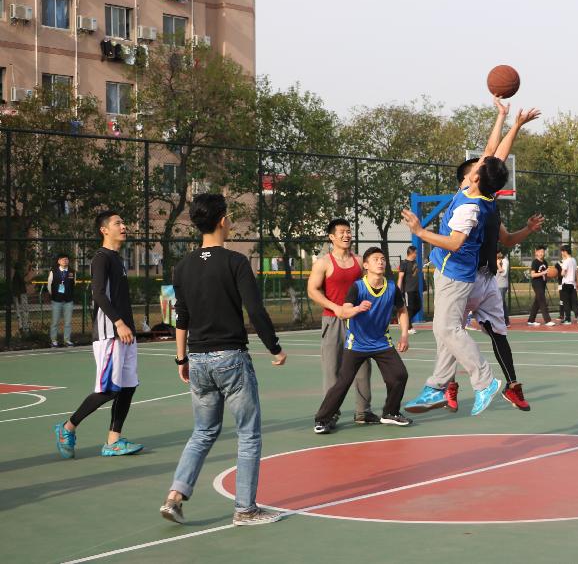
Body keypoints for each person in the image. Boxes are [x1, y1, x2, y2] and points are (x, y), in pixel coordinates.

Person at [401, 101, 538, 416]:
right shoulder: (481, 192)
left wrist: (420, 232)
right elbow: (493, 152)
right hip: (465, 274)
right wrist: (507, 120)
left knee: (448, 330)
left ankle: (483, 381)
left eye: (478, 165)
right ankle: (437, 386)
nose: (479, 161)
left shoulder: (470, 207)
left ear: (475, 178)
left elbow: (454, 242)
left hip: (459, 274)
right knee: (445, 331)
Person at [160, 193, 287, 527]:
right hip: (230, 358)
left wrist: (181, 358)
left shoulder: (182, 267)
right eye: (228, 216)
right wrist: (274, 347)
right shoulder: (235, 262)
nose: (229, 221)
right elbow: (255, 310)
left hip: (199, 359)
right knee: (248, 434)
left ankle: (174, 497)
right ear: (221, 221)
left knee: (203, 432)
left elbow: (181, 316)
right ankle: (245, 509)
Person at [446, 156, 545, 412]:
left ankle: (512, 386)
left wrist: (528, 229)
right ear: (467, 180)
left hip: (487, 278)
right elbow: (493, 150)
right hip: (463, 279)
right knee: (453, 334)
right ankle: (448, 385)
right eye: (477, 171)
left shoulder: (490, 207)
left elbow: (508, 240)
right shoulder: (463, 204)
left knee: (499, 332)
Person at [54, 211, 142, 459]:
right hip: (110, 332)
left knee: (128, 387)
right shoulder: (101, 258)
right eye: (118, 223)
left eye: (123, 222)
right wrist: (119, 323)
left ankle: (113, 441)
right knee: (108, 390)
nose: (124, 226)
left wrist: (128, 326)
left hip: (126, 333)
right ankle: (67, 427)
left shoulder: (117, 259)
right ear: (104, 230)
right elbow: (99, 294)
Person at [314, 247, 411, 431]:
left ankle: (390, 412)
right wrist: (357, 309)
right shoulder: (357, 287)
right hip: (357, 343)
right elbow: (344, 312)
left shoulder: (391, 287)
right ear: (366, 265)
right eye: (376, 259)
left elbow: (402, 310)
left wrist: (404, 335)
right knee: (343, 381)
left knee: (399, 375)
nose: (380, 262)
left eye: (383, 259)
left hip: (381, 341)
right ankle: (323, 419)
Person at [307, 217, 377, 430]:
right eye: (342, 232)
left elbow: (370, 286)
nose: (346, 235)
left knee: (363, 367)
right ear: (332, 237)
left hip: (358, 322)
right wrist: (336, 308)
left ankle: (363, 412)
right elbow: (312, 290)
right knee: (332, 371)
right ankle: (328, 415)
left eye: (348, 231)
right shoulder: (324, 263)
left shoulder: (359, 261)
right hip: (333, 320)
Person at [47, 253, 76, 347]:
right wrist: (54, 295)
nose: (65, 261)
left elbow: (73, 284)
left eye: (66, 259)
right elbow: (49, 285)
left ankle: (67, 340)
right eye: (63, 259)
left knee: (68, 322)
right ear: (59, 261)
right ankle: (53, 340)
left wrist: (69, 294)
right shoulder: (53, 271)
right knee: (55, 322)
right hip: (56, 301)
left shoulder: (72, 272)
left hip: (68, 301)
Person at [558, 245, 578, 325]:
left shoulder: (566, 261)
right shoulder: (573, 260)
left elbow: (563, 273)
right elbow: (576, 272)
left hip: (566, 284)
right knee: (573, 302)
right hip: (572, 284)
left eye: (562, 251)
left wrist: (563, 273)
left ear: (565, 252)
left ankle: (568, 319)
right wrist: (577, 282)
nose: (561, 253)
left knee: (566, 302)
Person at [527, 245, 555, 327]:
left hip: (542, 284)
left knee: (537, 302)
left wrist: (551, 275)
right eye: (540, 252)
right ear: (536, 252)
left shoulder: (545, 262)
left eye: (543, 252)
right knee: (542, 301)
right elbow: (532, 275)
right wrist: (543, 272)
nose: (542, 253)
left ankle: (531, 320)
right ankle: (547, 320)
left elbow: (546, 274)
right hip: (536, 283)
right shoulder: (535, 262)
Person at [396, 245, 421, 334]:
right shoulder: (404, 263)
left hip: (415, 289)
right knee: (409, 309)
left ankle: (403, 318)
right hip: (408, 290)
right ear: (411, 253)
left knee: (418, 307)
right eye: (415, 253)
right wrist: (398, 291)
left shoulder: (415, 262)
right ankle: (408, 327)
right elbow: (400, 277)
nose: (416, 254)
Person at [11, 259, 32, 336]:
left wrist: (28, 271)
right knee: (25, 310)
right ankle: (25, 327)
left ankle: (21, 326)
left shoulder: (16, 274)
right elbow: (22, 278)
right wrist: (28, 281)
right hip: (21, 293)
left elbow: (22, 277)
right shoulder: (18, 273)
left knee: (18, 311)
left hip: (16, 294)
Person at [496, 250, 510, 327]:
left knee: (500, 303)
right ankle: (504, 321)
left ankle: (504, 321)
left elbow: (504, 273)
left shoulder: (504, 261)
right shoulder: (495, 260)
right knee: (500, 303)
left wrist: (498, 264)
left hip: (502, 285)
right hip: (495, 285)